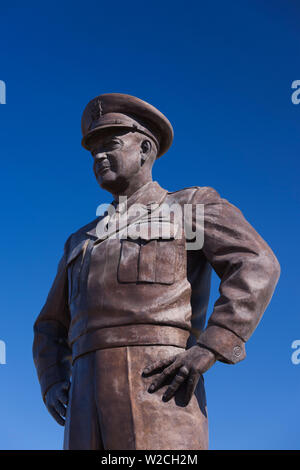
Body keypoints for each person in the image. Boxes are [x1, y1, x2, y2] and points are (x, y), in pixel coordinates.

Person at [33, 93, 280, 450]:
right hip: (83, 396)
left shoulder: (189, 207)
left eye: (110, 145)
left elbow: (256, 262)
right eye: (93, 152)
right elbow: (49, 325)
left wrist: (214, 343)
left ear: (145, 149)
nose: (99, 157)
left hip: (158, 385)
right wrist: (53, 380)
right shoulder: (80, 241)